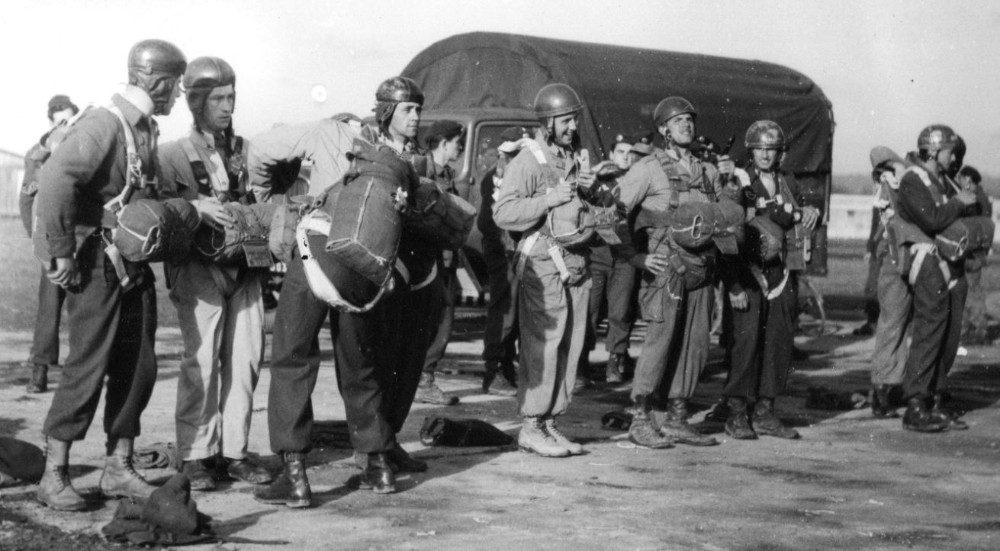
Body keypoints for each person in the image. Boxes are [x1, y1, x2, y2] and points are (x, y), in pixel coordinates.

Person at [251, 76, 437, 507]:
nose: (417, 118)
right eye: (410, 110)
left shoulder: (335, 131)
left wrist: (270, 197)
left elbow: (260, 149)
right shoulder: (414, 164)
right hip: (362, 269)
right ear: (389, 111)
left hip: (313, 251)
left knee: (293, 357)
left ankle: (295, 473)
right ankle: (377, 466)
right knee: (361, 363)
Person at [33, 39, 187, 511]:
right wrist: (58, 252)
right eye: (176, 83)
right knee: (88, 365)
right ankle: (53, 473)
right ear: (156, 80)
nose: (178, 92)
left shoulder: (144, 128)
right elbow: (58, 178)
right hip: (97, 262)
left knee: (137, 365)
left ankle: (119, 467)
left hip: (131, 262)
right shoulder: (105, 121)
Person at [158, 56, 272, 491]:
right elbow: (157, 211)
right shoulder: (169, 156)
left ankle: (235, 452)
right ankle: (195, 455)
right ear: (196, 102)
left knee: (244, 362)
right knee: (201, 362)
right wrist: (193, 208)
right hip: (197, 269)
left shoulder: (249, 151)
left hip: (245, 268)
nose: (227, 106)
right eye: (218, 98)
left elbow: (265, 199)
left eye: (232, 97)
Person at [614, 97, 732, 449]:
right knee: (659, 344)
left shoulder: (709, 172)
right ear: (664, 130)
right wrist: (634, 258)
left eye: (690, 120)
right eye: (677, 121)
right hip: (666, 269)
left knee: (695, 346)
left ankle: (678, 417)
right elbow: (610, 214)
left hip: (701, 271)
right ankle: (641, 418)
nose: (686, 125)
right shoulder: (647, 169)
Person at [493, 83, 595, 458]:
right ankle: (532, 425)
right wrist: (548, 199)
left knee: (570, 343)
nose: (572, 126)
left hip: (573, 262)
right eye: (566, 120)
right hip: (543, 263)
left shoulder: (569, 157)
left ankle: (551, 422)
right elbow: (503, 213)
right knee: (544, 345)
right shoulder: (528, 161)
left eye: (574, 119)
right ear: (548, 121)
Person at [721, 121, 820, 440]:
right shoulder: (739, 183)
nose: (765, 154)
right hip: (748, 273)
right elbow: (726, 234)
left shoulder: (787, 181)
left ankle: (765, 411)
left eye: (772, 149)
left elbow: (800, 215)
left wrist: (809, 212)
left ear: (780, 153)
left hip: (782, 273)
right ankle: (736, 412)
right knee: (745, 344)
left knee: (778, 342)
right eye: (760, 149)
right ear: (751, 151)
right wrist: (734, 284)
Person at [896, 124, 979, 432]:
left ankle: (934, 399)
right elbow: (930, 219)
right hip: (928, 260)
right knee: (930, 333)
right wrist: (959, 203)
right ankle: (915, 405)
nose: (952, 157)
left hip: (949, 264)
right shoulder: (913, 179)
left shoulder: (943, 180)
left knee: (947, 336)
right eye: (947, 151)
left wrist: (963, 201)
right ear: (933, 151)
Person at [20, 95, 80, 393]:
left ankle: (88, 372)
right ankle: (40, 369)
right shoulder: (40, 155)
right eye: (60, 122)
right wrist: (40, 242)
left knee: (90, 308)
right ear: (51, 125)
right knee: (49, 306)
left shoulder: (87, 149)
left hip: (87, 238)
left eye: (70, 121)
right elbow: (27, 199)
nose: (65, 127)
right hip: (53, 241)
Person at [413, 119, 465, 406]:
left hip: (443, 256)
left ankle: (423, 378)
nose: (460, 147)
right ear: (444, 143)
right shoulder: (424, 171)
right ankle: (423, 380)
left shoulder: (445, 173)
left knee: (440, 319)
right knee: (439, 319)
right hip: (427, 258)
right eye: (458, 142)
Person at [582, 133, 640, 384]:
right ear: (611, 155)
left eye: (630, 153)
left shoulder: (638, 181)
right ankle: (581, 362)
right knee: (590, 312)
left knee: (620, 311)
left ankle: (615, 361)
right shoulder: (600, 180)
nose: (625, 157)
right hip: (598, 255)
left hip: (625, 258)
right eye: (620, 152)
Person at [478, 127, 526, 396]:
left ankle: (505, 367)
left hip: (515, 251)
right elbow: (488, 222)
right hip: (503, 251)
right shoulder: (496, 179)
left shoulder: (516, 176)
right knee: (505, 311)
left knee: (515, 313)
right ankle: (494, 370)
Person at [866, 146, 911, 417]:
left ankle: (891, 385)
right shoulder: (888, 185)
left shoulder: (887, 186)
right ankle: (882, 389)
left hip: (896, 261)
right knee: (893, 325)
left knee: (898, 325)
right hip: (895, 262)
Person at [955, 164, 993, 345]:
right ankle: (975, 329)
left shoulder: (974, 199)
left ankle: (975, 329)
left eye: (961, 178)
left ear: (968, 180)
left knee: (969, 291)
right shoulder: (983, 198)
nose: (960, 182)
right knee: (972, 290)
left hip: (970, 251)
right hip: (977, 251)